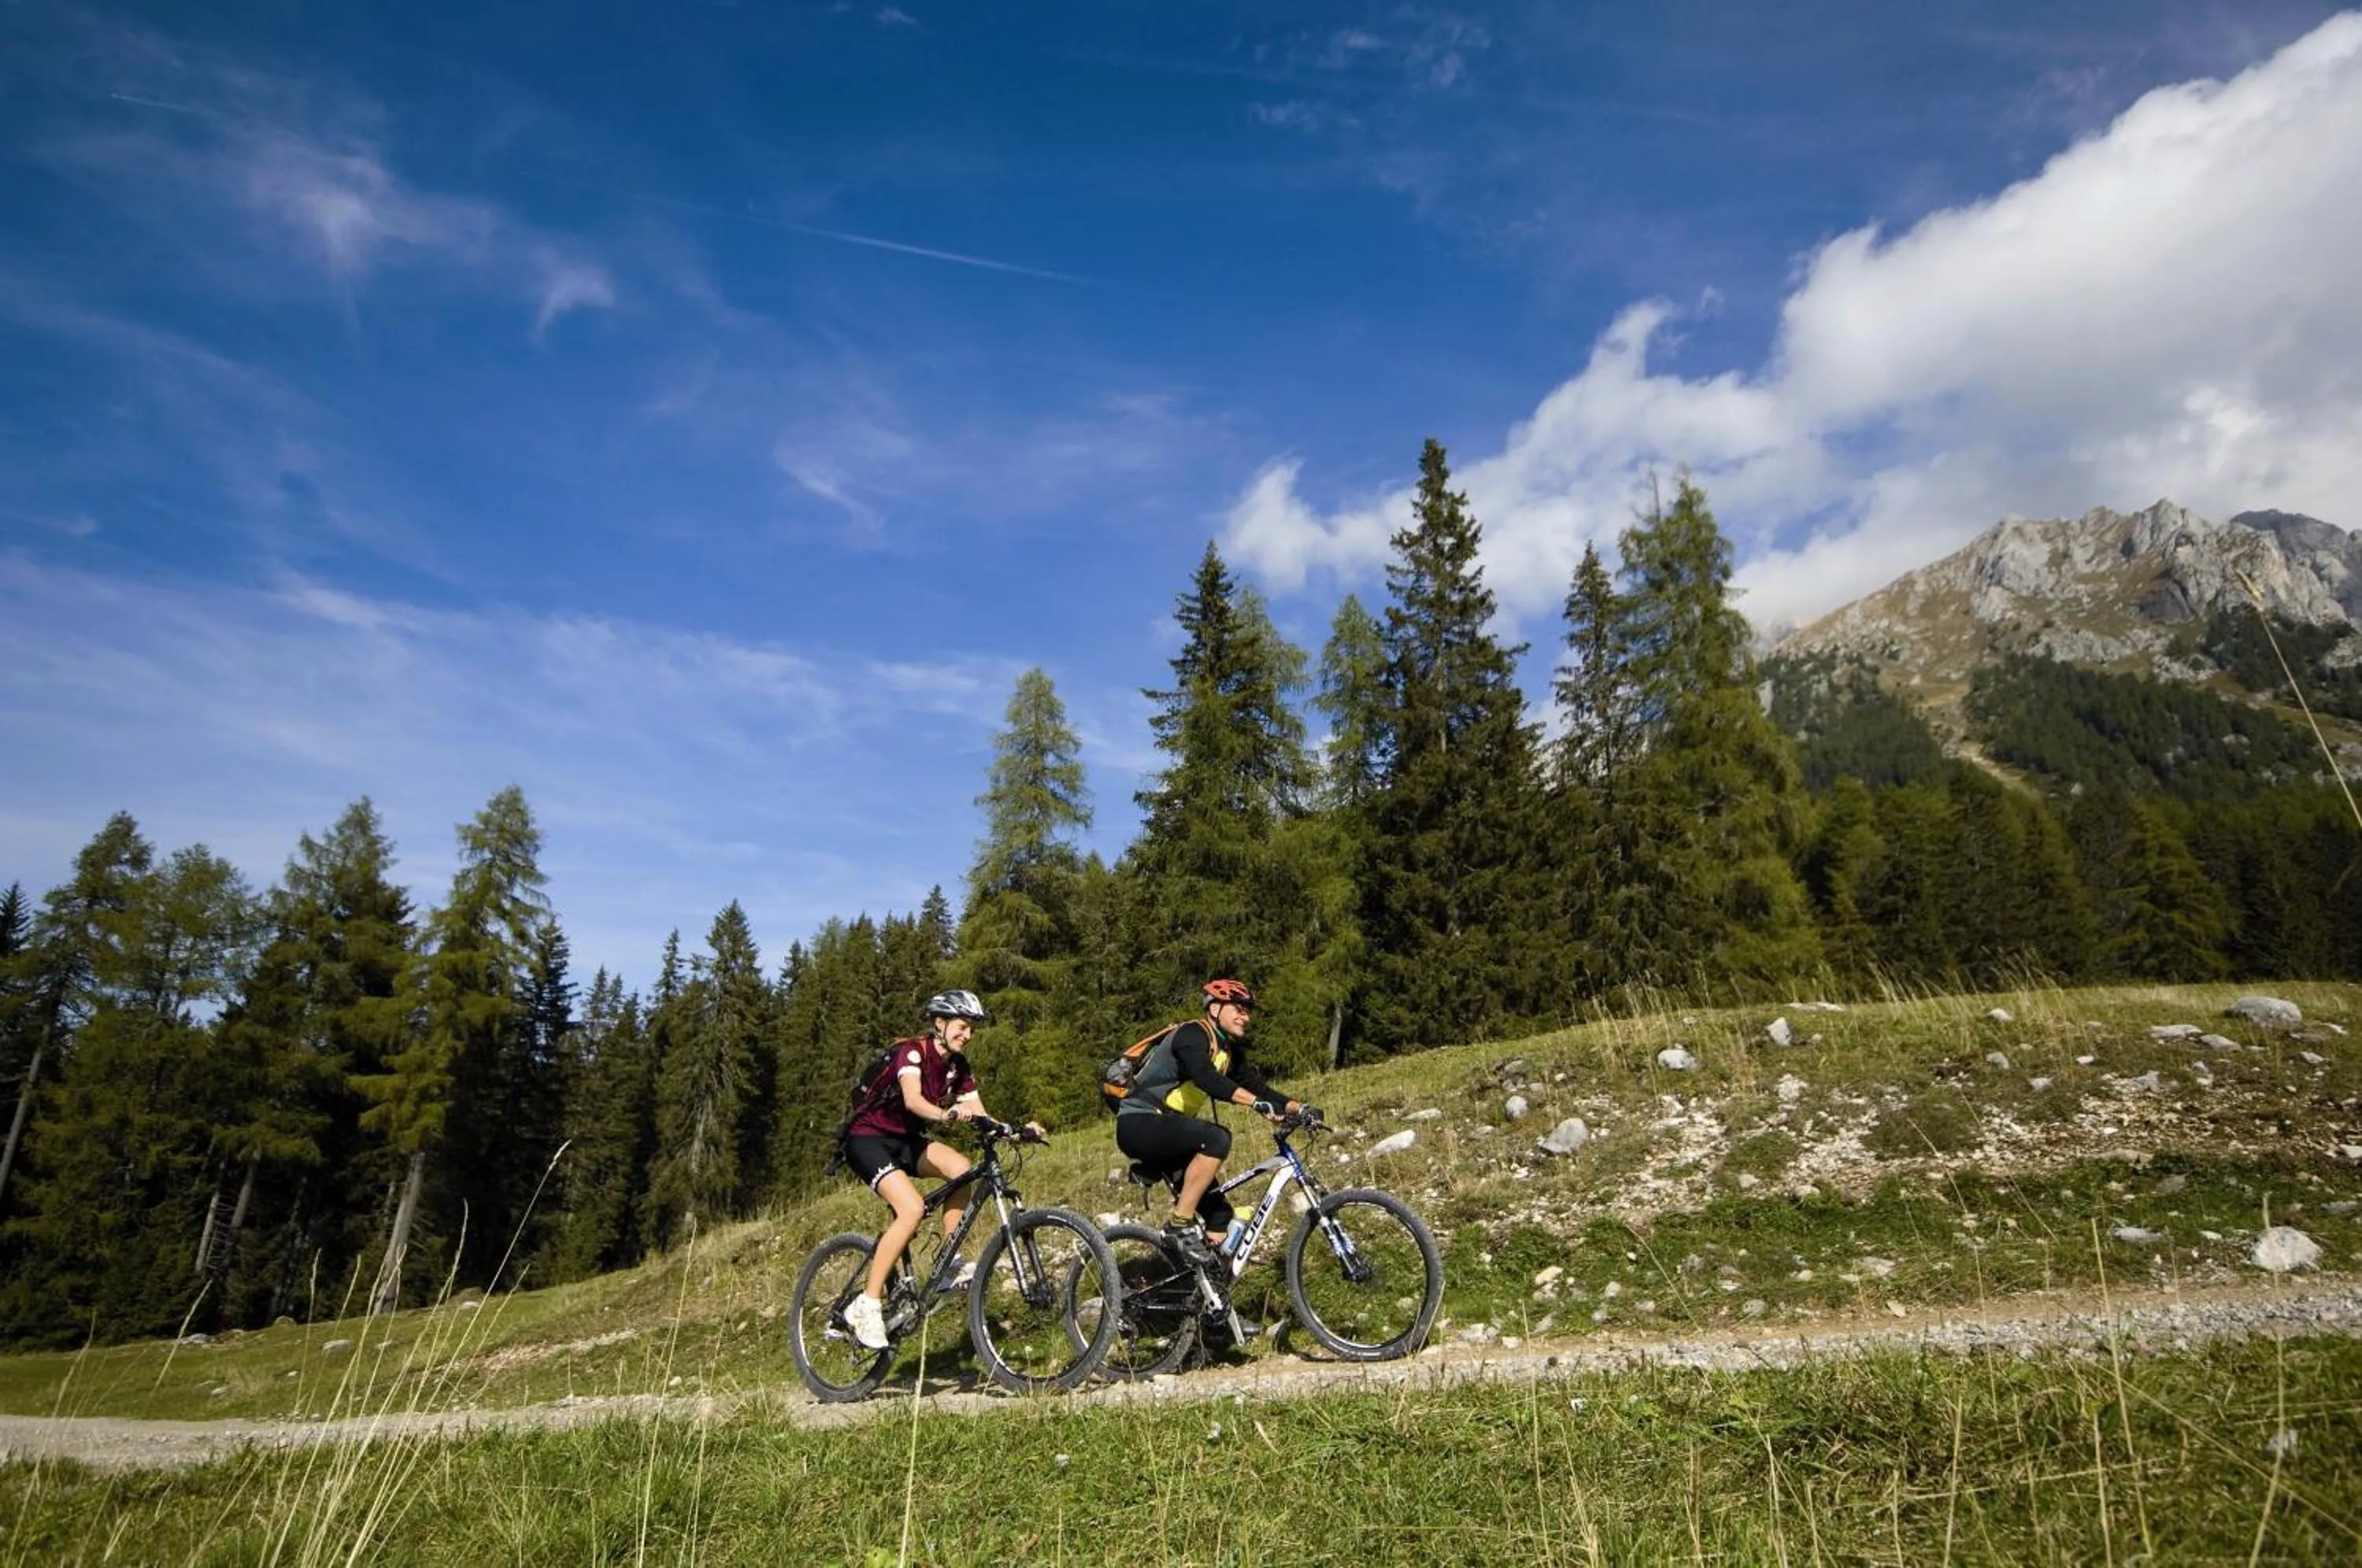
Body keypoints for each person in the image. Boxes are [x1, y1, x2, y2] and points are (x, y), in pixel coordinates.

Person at [839, 989, 1042, 1352]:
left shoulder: (958, 1067)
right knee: (912, 1209)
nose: (968, 1035)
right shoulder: (912, 1052)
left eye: (972, 1030)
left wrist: (1015, 1130)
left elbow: (980, 1112)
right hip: (867, 1139)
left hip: (906, 1141)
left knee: (963, 1169)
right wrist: (944, 1114)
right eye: (963, 1027)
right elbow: (914, 1099)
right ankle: (866, 1305)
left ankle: (947, 1263)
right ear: (940, 1023)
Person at [1114, 978, 1303, 1267]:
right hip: (1138, 1123)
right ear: (1215, 1009)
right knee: (1216, 1138)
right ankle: (1179, 1225)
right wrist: (1253, 1103)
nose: (1246, 1016)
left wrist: (1297, 1107)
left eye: (1247, 1011)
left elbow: (1257, 1087)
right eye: (1239, 1009)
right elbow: (1205, 1076)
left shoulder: (1228, 1051)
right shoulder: (1191, 1034)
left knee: (1220, 1216)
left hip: (1170, 1131)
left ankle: (1207, 1288)